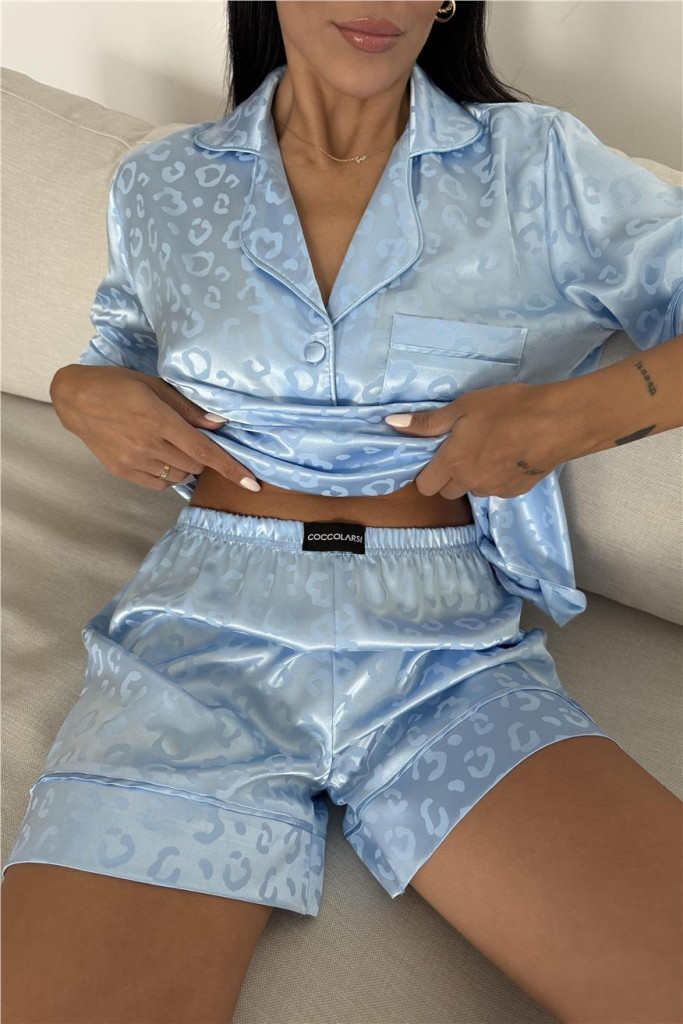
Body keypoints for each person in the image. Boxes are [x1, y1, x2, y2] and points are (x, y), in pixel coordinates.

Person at [3, 2, 682, 1023]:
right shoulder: (163, 181)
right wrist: (73, 389)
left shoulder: (537, 167)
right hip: (196, 643)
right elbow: (123, 357)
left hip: (446, 655)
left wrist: (566, 417)